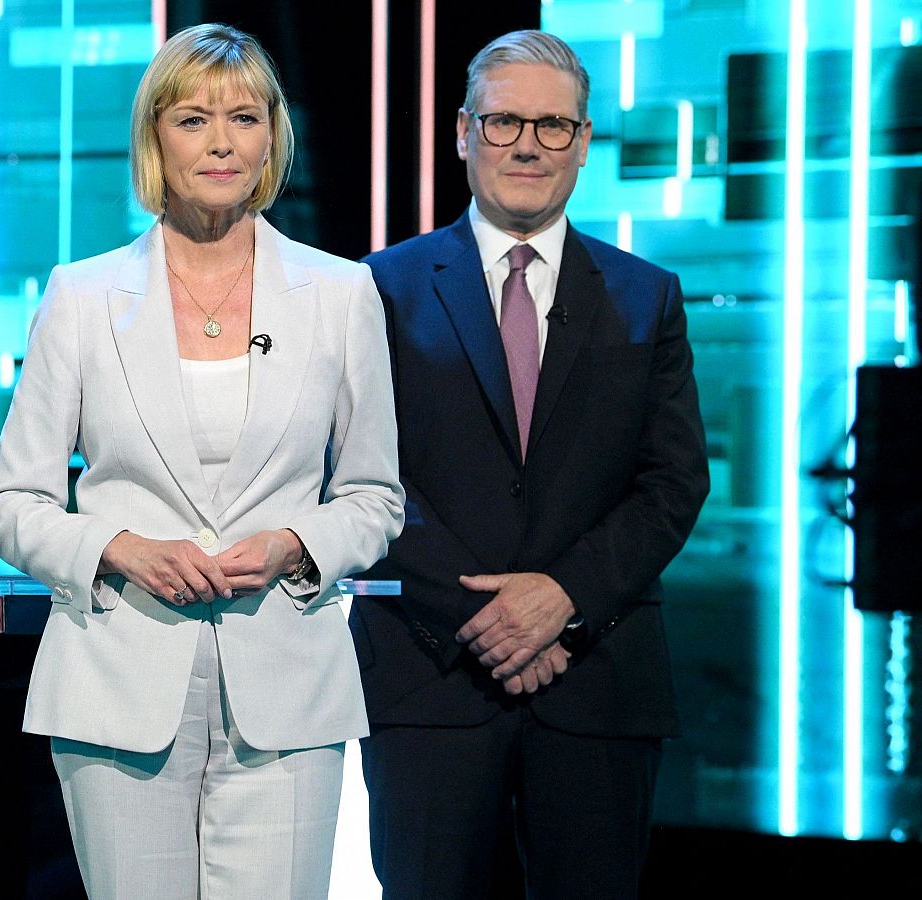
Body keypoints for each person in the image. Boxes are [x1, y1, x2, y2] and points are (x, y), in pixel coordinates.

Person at [0, 22, 404, 899]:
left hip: (287, 691)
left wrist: (294, 543)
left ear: (271, 139)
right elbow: (11, 504)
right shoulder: (82, 295)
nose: (220, 142)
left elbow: (374, 498)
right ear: (154, 138)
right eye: (193, 119)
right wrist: (117, 549)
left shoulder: (340, 292)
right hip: (117, 679)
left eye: (243, 118)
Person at [354, 29, 710, 899]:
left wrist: (564, 599)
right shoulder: (376, 287)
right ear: (464, 132)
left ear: (584, 143)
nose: (527, 144)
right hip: (427, 680)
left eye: (553, 126)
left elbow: (673, 481)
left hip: (598, 682)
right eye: (505, 120)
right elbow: (359, 472)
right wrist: (493, 618)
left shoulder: (644, 296)